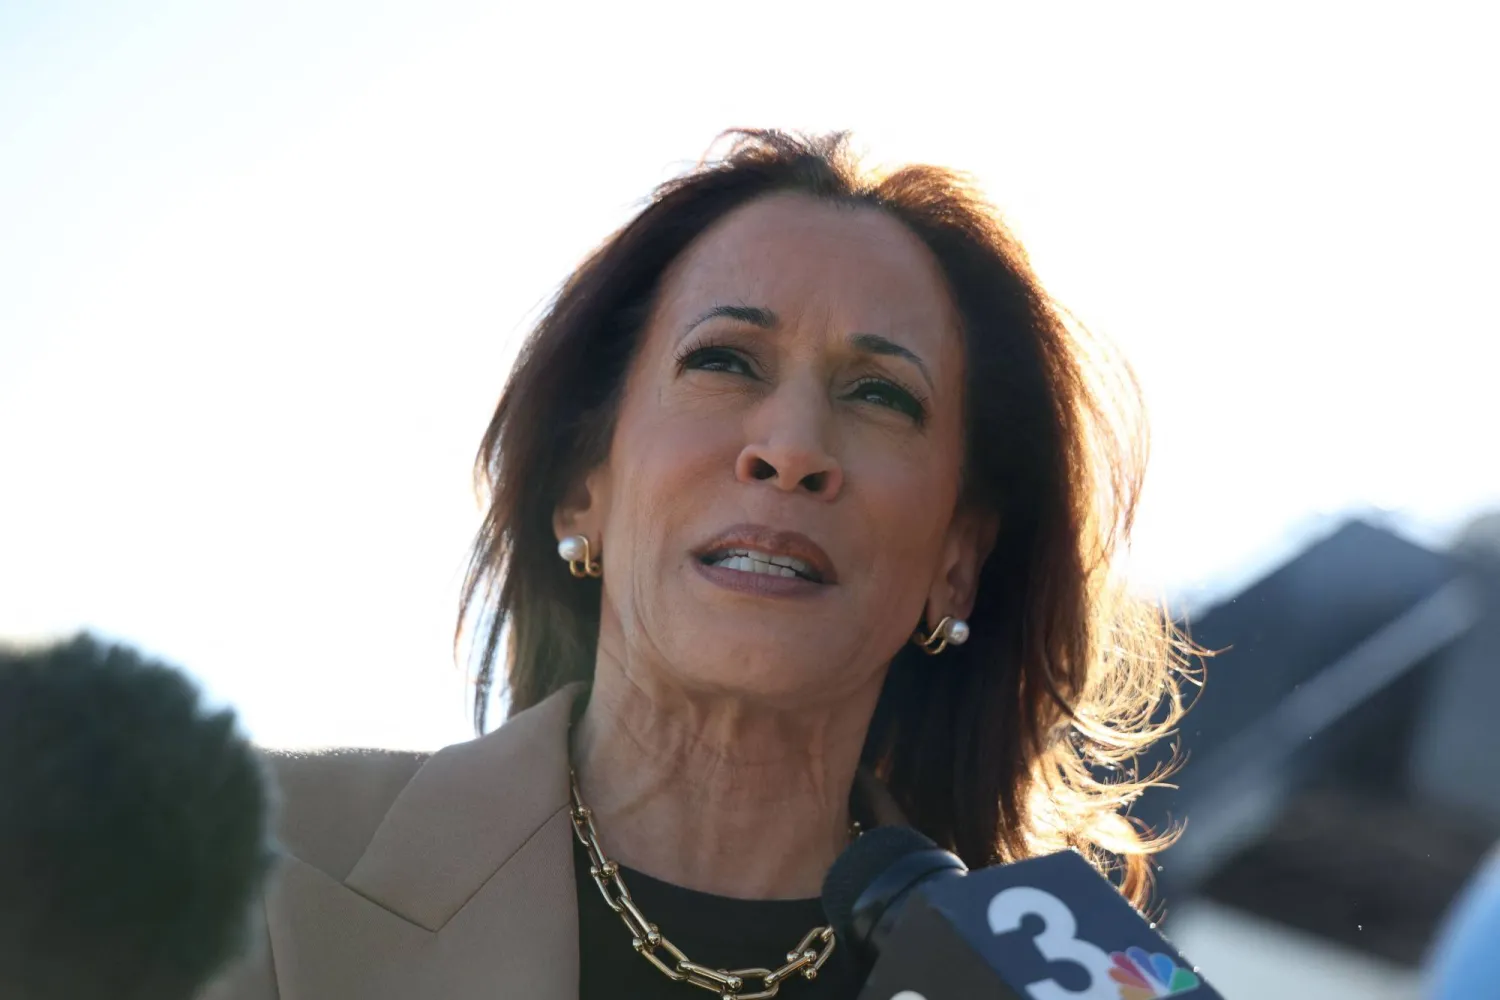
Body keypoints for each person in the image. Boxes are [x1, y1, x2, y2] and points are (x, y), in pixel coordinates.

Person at [202, 129, 1190, 1000]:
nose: (793, 446)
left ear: (958, 562)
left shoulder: (1074, 978)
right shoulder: (237, 862)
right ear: (582, 485)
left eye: (882, 394)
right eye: (722, 361)